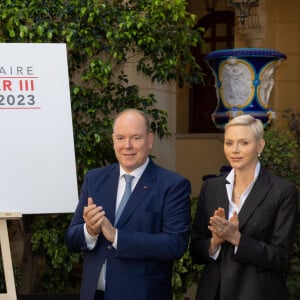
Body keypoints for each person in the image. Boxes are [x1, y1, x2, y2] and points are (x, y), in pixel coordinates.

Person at [65, 109, 191, 300]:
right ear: (113, 140)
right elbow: (71, 238)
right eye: (121, 138)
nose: (127, 145)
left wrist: (117, 237)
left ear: (149, 140)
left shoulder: (172, 185)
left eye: (135, 138)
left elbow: (174, 244)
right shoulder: (95, 179)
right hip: (94, 295)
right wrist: (90, 231)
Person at [190, 114, 298, 300]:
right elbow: (196, 250)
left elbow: (281, 258)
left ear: (260, 146)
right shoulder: (211, 188)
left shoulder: (282, 191)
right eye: (229, 143)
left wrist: (237, 239)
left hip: (258, 293)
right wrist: (214, 242)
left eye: (244, 143)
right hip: (213, 293)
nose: (235, 150)